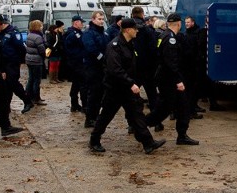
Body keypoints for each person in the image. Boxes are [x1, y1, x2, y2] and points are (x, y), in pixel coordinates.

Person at [89, 18, 166, 154]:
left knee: (136, 114)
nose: (137, 31)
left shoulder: (130, 44)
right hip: (115, 89)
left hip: (127, 89)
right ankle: (94, 140)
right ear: (128, 30)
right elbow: (115, 69)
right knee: (106, 115)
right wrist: (131, 83)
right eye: (135, 29)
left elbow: (132, 66)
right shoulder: (115, 46)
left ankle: (148, 143)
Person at [145, 13, 199, 146]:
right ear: (179, 23)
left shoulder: (166, 35)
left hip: (168, 77)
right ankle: (141, 124)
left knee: (183, 107)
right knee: (164, 108)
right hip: (168, 79)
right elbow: (170, 62)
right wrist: (178, 81)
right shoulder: (170, 38)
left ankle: (182, 135)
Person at [0, 16, 34, 114]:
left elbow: (21, 48)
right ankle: (6, 106)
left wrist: (19, 60)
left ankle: (27, 100)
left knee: (13, 83)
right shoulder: (0, 33)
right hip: (3, 63)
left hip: (12, 62)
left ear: (4, 24)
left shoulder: (13, 33)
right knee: (6, 86)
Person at [82, 9, 109, 128]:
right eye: (99, 19)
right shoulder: (89, 33)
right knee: (93, 93)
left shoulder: (103, 33)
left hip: (102, 68)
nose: (101, 21)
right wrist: (102, 58)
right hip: (92, 66)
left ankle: (95, 115)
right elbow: (91, 48)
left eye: (103, 19)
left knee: (100, 93)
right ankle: (89, 118)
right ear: (93, 19)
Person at [64, 15, 87, 113]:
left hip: (77, 63)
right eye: (81, 22)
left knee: (76, 84)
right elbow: (69, 50)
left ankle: (75, 104)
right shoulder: (72, 34)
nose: (82, 24)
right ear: (76, 22)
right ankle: (84, 105)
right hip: (76, 63)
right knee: (82, 84)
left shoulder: (77, 33)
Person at [25, 20, 47, 105]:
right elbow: (41, 49)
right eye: (41, 25)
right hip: (36, 60)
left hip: (29, 59)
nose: (42, 27)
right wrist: (44, 55)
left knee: (31, 78)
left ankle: (28, 96)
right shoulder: (38, 37)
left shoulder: (30, 35)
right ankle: (36, 98)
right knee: (36, 80)